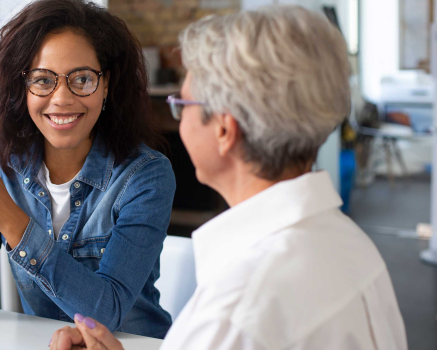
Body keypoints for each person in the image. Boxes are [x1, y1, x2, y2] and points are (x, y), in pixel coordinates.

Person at [49, 5, 408, 350]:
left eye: (183, 104)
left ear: (224, 129)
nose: (178, 118)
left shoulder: (236, 312)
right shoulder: (353, 245)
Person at [0, 0, 175, 339]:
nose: (61, 98)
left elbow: (108, 311)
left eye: (82, 79)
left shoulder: (146, 175)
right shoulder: (5, 167)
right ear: (23, 89)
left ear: (107, 85)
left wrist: (9, 218)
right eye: (43, 80)